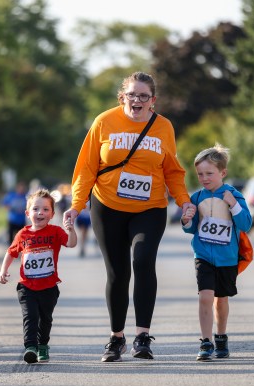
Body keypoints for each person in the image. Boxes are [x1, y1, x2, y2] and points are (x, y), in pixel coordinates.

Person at [63, 71, 195, 362]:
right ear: (122, 97)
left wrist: (184, 202)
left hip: (150, 208)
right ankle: (116, 337)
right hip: (106, 207)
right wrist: (76, 205)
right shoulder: (104, 122)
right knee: (118, 272)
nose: (137, 100)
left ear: (153, 100)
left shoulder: (163, 127)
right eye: (132, 95)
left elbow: (173, 170)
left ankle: (143, 336)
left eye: (143, 96)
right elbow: (86, 168)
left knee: (143, 260)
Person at [180, 144, 252, 361]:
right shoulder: (197, 197)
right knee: (205, 296)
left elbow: (246, 224)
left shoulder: (234, 195)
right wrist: (186, 219)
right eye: (200, 174)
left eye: (209, 173)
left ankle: (221, 337)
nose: (204, 178)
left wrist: (234, 206)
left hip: (227, 257)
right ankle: (205, 342)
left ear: (222, 173)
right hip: (203, 255)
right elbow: (191, 228)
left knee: (221, 299)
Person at [0, 189, 77, 364]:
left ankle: (43, 345)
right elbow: (11, 252)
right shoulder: (22, 234)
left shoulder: (55, 232)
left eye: (45, 209)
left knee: (45, 319)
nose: (40, 212)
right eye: (35, 209)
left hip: (49, 287)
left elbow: (71, 244)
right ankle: (30, 347)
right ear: (27, 213)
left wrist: (71, 230)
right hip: (27, 287)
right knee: (30, 316)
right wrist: (3, 270)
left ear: (52, 214)